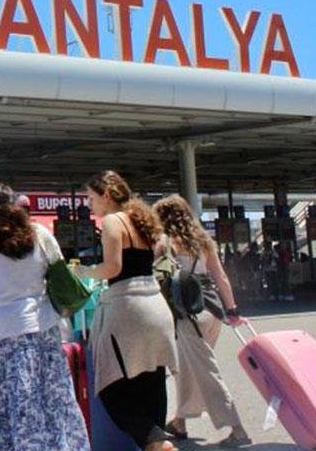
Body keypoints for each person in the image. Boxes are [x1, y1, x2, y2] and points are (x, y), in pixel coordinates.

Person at [0, 183, 89, 451]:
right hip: (44, 332)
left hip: (1, 337)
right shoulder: (40, 234)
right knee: (51, 405)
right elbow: (57, 272)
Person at [76, 171, 178, 451]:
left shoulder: (112, 221)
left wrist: (82, 271)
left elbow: (113, 267)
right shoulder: (140, 220)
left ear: (106, 195)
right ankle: (157, 440)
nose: (89, 204)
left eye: (91, 198)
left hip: (128, 307)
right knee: (151, 379)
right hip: (156, 305)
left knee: (110, 386)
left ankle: (154, 441)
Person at [153, 195, 251, 447]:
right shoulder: (204, 241)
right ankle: (179, 422)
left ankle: (238, 429)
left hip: (187, 314)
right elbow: (222, 278)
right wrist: (232, 309)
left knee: (205, 371)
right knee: (190, 367)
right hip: (212, 311)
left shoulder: (164, 243)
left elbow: (156, 277)